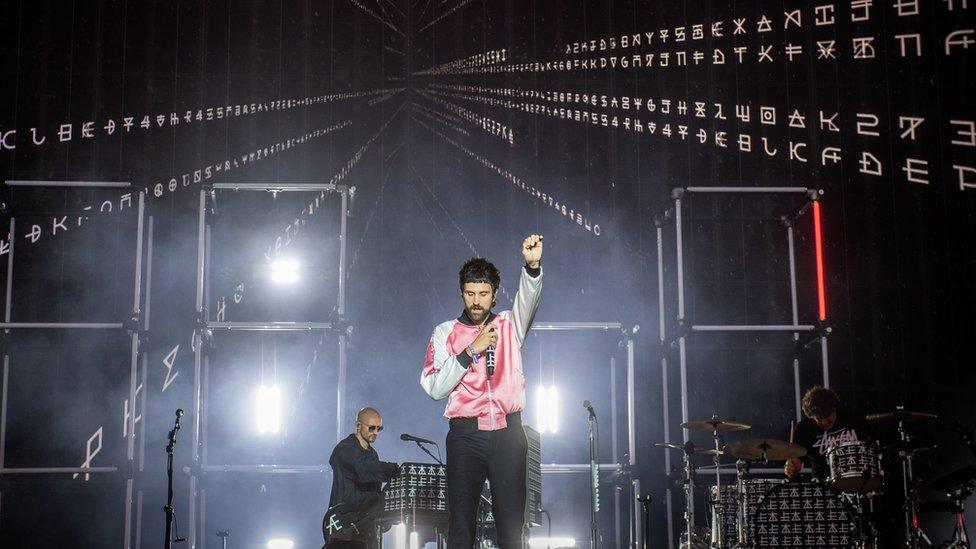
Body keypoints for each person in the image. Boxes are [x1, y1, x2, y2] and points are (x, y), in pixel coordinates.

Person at [421, 234, 544, 549]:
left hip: (509, 433)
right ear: (461, 293)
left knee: (511, 531)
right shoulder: (445, 333)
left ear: (495, 294)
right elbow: (434, 387)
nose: (476, 301)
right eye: (470, 293)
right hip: (466, 437)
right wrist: (468, 352)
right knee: (461, 528)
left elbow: (527, 303)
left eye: (484, 294)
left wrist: (531, 268)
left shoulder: (508, 326)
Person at [322, 407, 399, 549]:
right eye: (372, 428)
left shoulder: (372, 454)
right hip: (344, 526)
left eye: (379, 428)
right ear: (358, 425)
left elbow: (375, 489)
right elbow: (362, 469)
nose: (376, 433)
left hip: (366, 530)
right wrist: (394, 469)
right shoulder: (344, 449)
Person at [784, 385, 870, 479]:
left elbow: (871, 449)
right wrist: (791, 467)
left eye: (828, 416)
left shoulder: (851, 416)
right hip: (823, 485)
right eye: (819, 418)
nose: (824, 422)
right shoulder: (803, 429)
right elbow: (796, 463)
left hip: (857, 478)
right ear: (811, 416)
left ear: (834, 408)